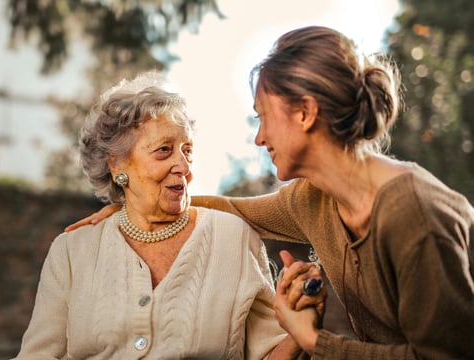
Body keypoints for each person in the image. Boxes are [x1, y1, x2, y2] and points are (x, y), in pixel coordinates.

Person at [65, 26, 474, 359]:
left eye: (263, 117)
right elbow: (233, 209)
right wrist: (134, 207)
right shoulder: (313, 199)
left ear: (305, 112)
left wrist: (314, 341)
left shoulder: (414, 214)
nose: (259, 138)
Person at [13, 71, 325, 359]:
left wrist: (299, 334)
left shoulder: (234, 238)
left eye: (187, 150)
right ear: (117, 165)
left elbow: (269, 354)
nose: (185, 167)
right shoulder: (72, 251)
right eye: (164, 150)